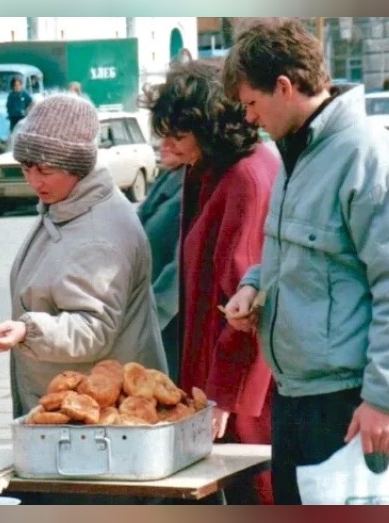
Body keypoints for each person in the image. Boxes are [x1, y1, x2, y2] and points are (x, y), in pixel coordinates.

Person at [222, 18, 389, 505]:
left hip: (346, 405)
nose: (250, 119)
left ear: (284, 87)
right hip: (294, 397)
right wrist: (254, 286)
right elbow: (288, 252)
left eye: (252, 104)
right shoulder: (296, 153)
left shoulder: (365, 157)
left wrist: (381, 400)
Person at [0, 94, 167, 419]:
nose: (34, 180)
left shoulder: (99, 233)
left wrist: (29, 331)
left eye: (46, 170)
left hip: (98, 413)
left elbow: (94, 328)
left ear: (78, 165)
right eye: (26, 167)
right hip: (77, 404)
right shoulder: (67, 206)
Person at [146, 60, 279, 504]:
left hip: (243, 395)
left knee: (257, 494)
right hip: (218, 385)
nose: (168, 146)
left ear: (210, 127)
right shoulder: (211, 169)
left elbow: (245, 303)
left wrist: (222, 395)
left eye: (178, 135)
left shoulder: (244, 177)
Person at [136, 141, 185, 382]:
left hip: (168, 320)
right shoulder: (169, 177)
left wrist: (152, 318)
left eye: (173, 136)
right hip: (149, 311)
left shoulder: (194, 182)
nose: (163, 144)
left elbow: (181, 267)